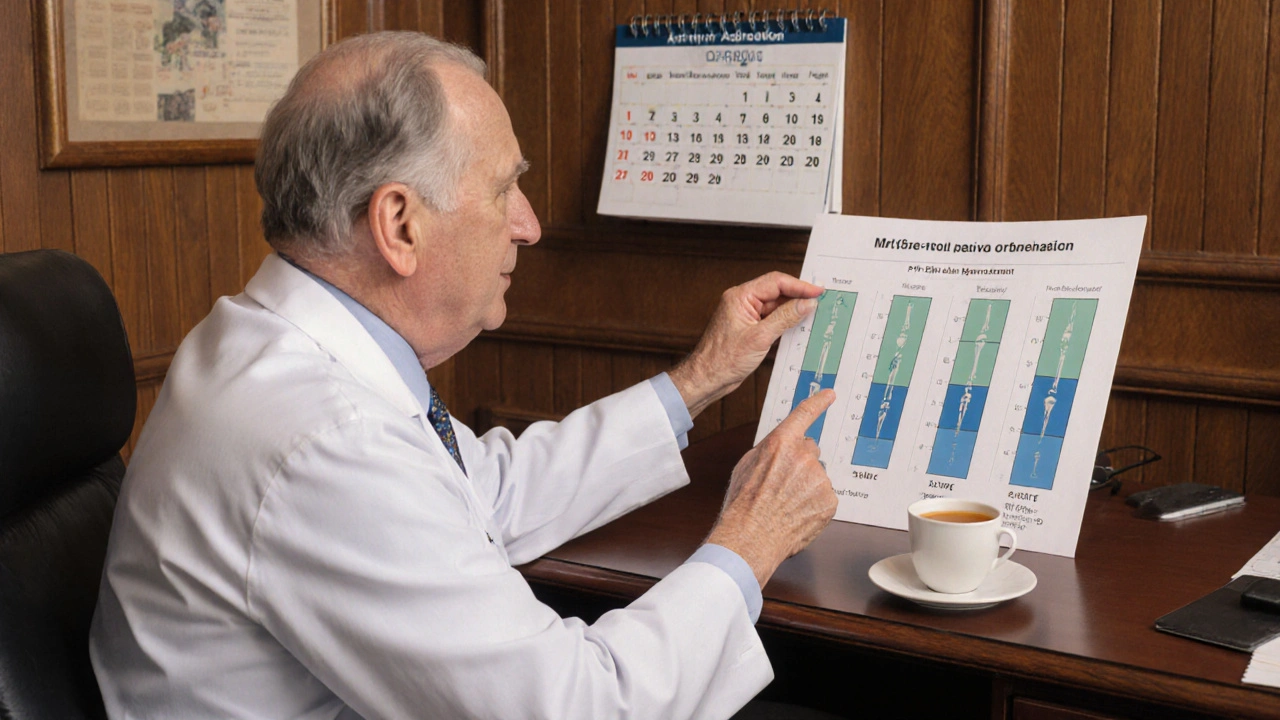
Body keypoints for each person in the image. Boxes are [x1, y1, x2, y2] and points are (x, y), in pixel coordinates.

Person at [90, 31, 838, 720]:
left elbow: (481, 493)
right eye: (503, 189)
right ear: (400, 226)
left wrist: (700, 380)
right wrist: (750, 540)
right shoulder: (321, 441)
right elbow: (578, 708)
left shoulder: (263, 343)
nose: (529, 224)